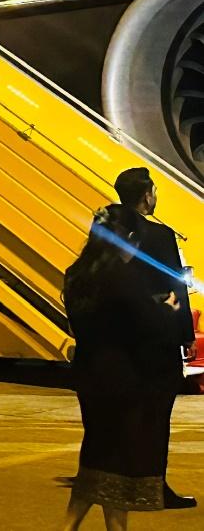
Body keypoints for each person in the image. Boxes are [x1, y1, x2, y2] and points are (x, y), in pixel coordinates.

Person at [63, 202, 185, 529]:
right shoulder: (123, 275)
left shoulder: (76, 274)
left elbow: (102, 318)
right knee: (119, 460)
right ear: (128, 238)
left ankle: (74, 526)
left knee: (98, 456)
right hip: (124, 379)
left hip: (90, 375)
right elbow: (148, 326)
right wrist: (169, 307)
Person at [114, 166, 196, 509]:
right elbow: (174, 285)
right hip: (155, 338)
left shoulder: (108, 232)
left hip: (120, 338)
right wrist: (186, 335)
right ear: (146, 195)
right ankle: (153, 488)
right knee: (156, 415)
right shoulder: (159, 236)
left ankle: (123, 483)